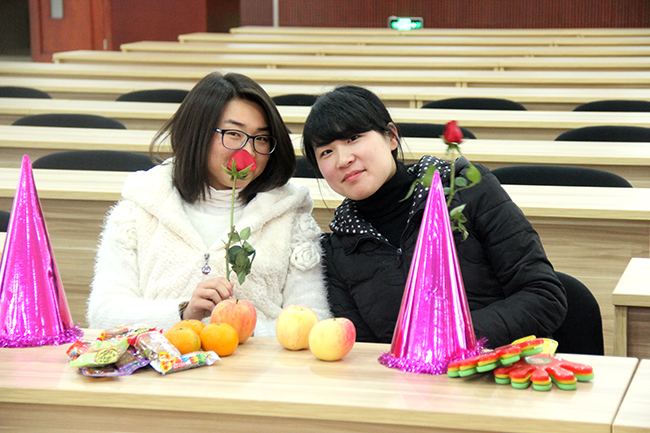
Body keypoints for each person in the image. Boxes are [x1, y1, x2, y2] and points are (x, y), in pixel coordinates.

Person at [301, 85, 567, 348]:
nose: (343, 159)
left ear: (391, 137)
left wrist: (449, 340)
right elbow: (363, 352)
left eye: (353, 138)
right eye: (326, 152)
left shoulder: (468, 191)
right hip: (404, 376)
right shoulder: (336, 252)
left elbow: (544, 297)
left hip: (497, 368)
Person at [87, 72, 331, 335]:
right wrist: (183, 313)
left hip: (255, 362)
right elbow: (103, 314)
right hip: (163, 361)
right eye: (234, 134)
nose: (248, 152)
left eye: (261, 138)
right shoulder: (140, 207)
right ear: (198, 133)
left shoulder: (290, 216)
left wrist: (240, 330)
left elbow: (313, 322)